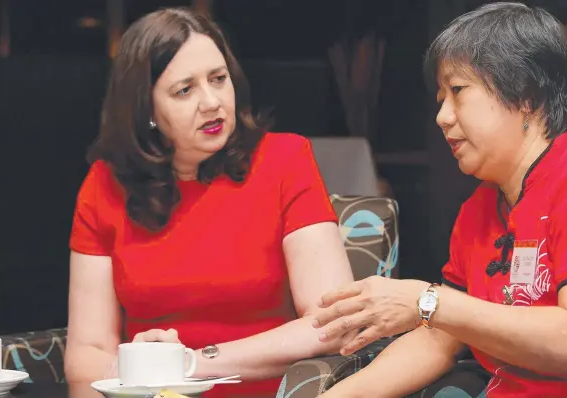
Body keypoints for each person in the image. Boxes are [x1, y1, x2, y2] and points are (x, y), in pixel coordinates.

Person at [312, 2, 567, 397]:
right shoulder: (481, 208)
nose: (442, 117)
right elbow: (437, 341)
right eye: (440, 98)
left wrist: (425, 299)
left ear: (525, 96)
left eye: (457, 91)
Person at [64, 8, 354, 396]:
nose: (212, 102)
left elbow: (332, 323)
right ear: (145, 110)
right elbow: (86, 354)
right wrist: (137, 367)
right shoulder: (104, 184)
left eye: (219, 80)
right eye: (185, 90)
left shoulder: (285, 160)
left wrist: (190, 364)